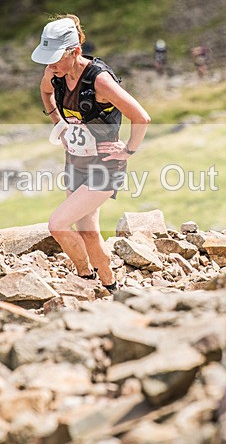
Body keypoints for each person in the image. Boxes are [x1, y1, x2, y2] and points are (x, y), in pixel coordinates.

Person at [33, 15, 150, 293]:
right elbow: (45, 92)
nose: (49, 65)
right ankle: (110, 286)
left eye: (55, 58)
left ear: (74, 51)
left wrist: (128, 150)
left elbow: (141, 118)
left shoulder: (100, 81)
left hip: (104, 168)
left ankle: (84, 278)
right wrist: (58, 123)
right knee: (89, 233)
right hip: (76, 161)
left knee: (58, 225)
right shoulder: (55, 72)